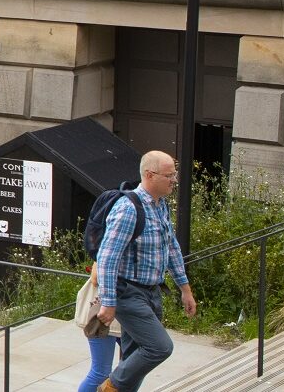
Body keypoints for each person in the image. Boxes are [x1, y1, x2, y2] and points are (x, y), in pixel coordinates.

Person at [93, 150, 197, 392]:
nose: (174, 180)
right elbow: (107, 258)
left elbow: (171, 247)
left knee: (133, 359)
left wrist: (185, 289)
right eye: (169, 175)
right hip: (128, 294)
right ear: (150, 175)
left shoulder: (161, 206)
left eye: (175, 174)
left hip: (152, 293)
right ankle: (108, 388)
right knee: (160, 347)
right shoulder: (128, 209)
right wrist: (109, 302)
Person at [77, 259, 123, 392]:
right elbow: (95, 278)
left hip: (130, 314)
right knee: (101, 372)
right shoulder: (110, 242)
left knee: (131, 371)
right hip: (103, 316)